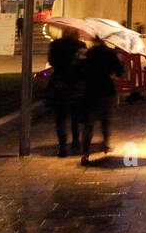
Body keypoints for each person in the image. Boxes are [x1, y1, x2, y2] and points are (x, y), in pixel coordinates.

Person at [76, 37, 124, 166]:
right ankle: (106, 144)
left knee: (88, 124)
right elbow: (120, 71)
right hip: (107, 90)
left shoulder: (87, 53)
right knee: (105, 120)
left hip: (90, 91)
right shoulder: (110, 53)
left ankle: (85, 153)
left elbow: (79, 71)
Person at [46, 29, 85, 157]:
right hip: (75, 83)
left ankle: (62, 146)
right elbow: (83, 63)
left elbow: (51, 61)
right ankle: (75, 140)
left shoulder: (55, 44)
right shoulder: (80, 45)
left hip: (59, 82)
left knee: (60, 117)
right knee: (75, 114)